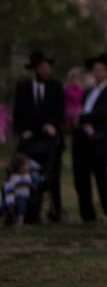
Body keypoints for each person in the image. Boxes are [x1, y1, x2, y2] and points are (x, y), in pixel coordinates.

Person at [12, 49, 67, 223]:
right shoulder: (24, 88)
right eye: (42, 67)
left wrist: (54, 126)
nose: (45, 70)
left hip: (50, 140)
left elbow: (60, 112)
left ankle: (56, 211)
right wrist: (22, 132)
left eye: (47, 67)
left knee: (53, 175)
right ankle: (27, 210)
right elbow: (17, 114)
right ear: (35, 69)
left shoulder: (55, 87)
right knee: (28, 174)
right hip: (30, 141)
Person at [75, 53, 107, 222]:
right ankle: (87, 214)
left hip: (101, 139)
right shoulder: (88, 91)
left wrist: (82, 118)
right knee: (82, 178)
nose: (97, 73)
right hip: (83, 139)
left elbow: (105, 112)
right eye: (95, 70)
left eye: (101, 70)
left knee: (102, 178)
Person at [3, 151, 37, 228]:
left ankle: (20, 220)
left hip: (25, 197)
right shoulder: (13, 178)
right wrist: (10, 202)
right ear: (19, 167)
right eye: (26, 165)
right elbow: (9, 190)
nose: (29, 167)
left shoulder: (27, 175)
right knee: (19, 206)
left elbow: (28, 183)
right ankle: (18, 220)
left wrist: (32, 186)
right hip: (16, 197)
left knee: (22, 207)